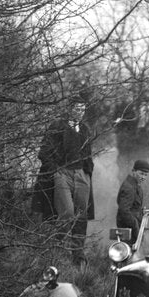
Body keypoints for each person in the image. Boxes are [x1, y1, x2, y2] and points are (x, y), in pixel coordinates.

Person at [35, 98, 95, 256]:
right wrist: (56, 171)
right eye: (77, 109)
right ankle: (57, 251)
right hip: (62, 173)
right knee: (66, 213)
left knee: (81, 215)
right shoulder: (57, 126)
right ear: (69, 109)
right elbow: (43, 152)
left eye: (82, 109)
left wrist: (88, 171)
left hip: (81, 174)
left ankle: (78, 254)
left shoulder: (85, 129)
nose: (80, 112)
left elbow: (87, 153)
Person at [116, 159, 149, 245]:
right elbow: (124, 211)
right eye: (141, 173)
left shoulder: (136, 186)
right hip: (128, 231)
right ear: (133, 171)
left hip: (133, 231)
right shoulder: (129, 187)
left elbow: (134, 208)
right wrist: (135, 227)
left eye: (146, 175)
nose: (143, 177)